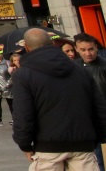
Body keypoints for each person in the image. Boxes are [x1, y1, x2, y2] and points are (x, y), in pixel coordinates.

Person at [13, 27, 106, 169]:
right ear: (51, 43)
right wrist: (99, 136)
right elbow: (99, 107)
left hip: (48, 146)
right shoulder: (80, 71)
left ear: (26, 47)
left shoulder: (23, 75)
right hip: (82, 143)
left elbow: (23, 113)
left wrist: (24, 144)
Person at [74, 33, 106, 168]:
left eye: (91, 49)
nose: (88, 53)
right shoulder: (73, 68)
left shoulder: (104, 66)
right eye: (83, 50)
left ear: (96, 48)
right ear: (76, 49)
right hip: (85, 121)